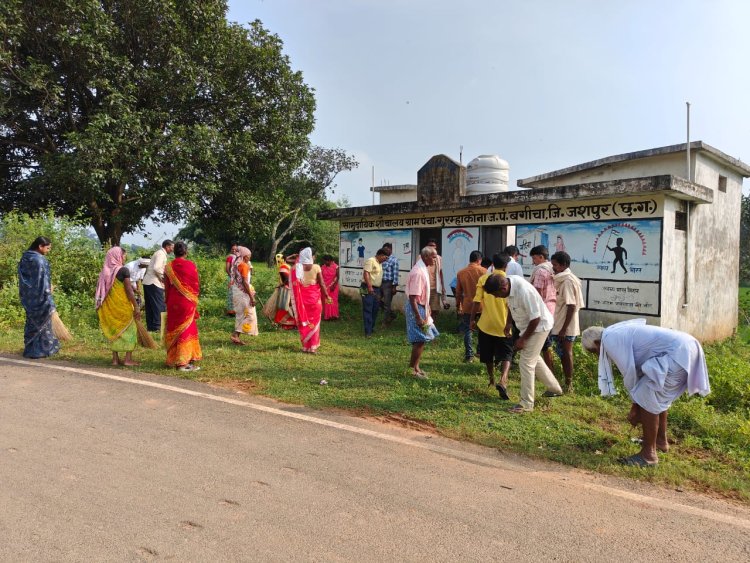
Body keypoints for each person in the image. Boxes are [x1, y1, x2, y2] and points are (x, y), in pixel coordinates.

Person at [581, 320, 710, 467]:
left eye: (594, 352)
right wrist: (636, 404)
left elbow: (630, 373)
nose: (597, 356)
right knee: (653, 393)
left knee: (648, 397)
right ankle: (660, 441)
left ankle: (648, 455)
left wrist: (635, 407)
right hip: (686, 348)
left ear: (597, 343)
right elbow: (637, 370)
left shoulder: (609, 341)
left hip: (678, 354)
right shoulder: (614, 332)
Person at [489, 275, 564, 413]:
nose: (496, 297)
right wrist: (508, 323)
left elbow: (536, 318)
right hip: (528, 326)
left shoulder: (523, 291)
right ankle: (554, 389)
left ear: (503, 288)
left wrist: (522, 339)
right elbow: (511, 305)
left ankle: (526, 404)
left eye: (496, 294)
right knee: (533, 358)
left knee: (526, 363)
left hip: (540, 326)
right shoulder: (507, 284)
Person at [470, 254, 513, 401]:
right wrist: (510, 323)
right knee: (507, 355)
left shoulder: (484, 279)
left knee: (487, 354)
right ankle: (504, 379)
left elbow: (476, 301)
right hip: (504, 324)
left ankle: (492, 379)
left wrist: (472, 320)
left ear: (492, 265)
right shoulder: (508, 282)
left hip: (486, 324)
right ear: (506, 267)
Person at [95, 246, 140, 366]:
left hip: (109, 308)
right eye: (124, 255)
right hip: (123, 306)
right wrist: (136, 306)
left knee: (115, 330)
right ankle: (127, 359)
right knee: (130, 329)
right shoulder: (124, 270)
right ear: (118, 256)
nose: (125, 257)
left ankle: (115, 360)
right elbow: (129, 290)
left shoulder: (105, 271)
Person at [17, 236, 60, 359]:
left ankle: (30, 349)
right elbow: (43, 280)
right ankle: (42, 350)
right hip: (41, 297)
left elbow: (26, 280)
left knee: (32, 322)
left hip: (29, 297)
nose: (48, 250)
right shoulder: (40, 260)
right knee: (43, 324)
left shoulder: (25, 258)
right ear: (40, 246)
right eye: (47, 248)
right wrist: (48, 292)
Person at [164, 242, 202, 372]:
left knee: (175, 327)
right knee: (187, 329)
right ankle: (182, 363)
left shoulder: (168, 266)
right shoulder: (191, 265)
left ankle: (173, 359)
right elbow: (196, 285)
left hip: (173, 301)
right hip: (187, 302)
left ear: (174, 252)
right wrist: (194, 298)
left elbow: (167, 287)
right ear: (186, 252)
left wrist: (167, 301)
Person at [550, 251, 584, 392]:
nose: (553, 268)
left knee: (567, 352)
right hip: (560, 323)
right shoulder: (563, 278)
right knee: (562, 353)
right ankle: (564, 381)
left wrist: (564, 329)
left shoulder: (568, 281)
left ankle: (569, 383)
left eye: (556, 265)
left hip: (566, 325)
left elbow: (571, 305)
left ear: (563, 265)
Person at [405, 246, 440, 378]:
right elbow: (413, 297)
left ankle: (416, 367)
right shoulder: (419, 272)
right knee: (419, 339)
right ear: (425, 256)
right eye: (433, 257)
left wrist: (427, 307)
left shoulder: (422, 268)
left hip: (421, 306)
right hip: (416, 308)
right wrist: (418, 316)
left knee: (421, 340)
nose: (435, 259)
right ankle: (412, 370)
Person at [290, 247, 331, 353]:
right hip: (314, 299)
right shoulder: (316, 267)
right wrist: (326, 295)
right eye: (314, 255)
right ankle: (313, 347)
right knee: (315, 322)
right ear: (311, 256)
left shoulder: (295, 268)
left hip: (302, 300)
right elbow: (321, 283)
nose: (315, 257)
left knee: (305, 321)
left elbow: (294, 284)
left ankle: (305, 346)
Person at [454, 250, 486, 362]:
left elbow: (458, 292)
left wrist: (458, 305)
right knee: (483, 329)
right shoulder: (484, 271)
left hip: (468, 305)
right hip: (482, 305)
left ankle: (469, 356)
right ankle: (480, 351)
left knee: (468, 330)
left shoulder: (461, 273)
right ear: (479, 260)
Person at [529, 245, 556, 371]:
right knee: (547, 342)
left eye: (534, 258)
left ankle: (546, 370)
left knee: (542, 343)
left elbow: (536, 293)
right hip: (552, 308)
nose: (533, 262)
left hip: (542, 310)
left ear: (541, 257)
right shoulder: (553, 268)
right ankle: (549, 369)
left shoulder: (540, 271)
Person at [142, 239, 174, 332]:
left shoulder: (160, 253)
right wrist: (163, 278)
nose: (172, 249)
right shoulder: (161, 254)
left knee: (151, 306)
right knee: (158, 305)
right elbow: (156, 268)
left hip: (149, 282)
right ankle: (157, 327)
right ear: (167, 247)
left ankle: (151, 327)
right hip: (154, 282)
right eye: (172, 247)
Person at [230, 247, 258, 345]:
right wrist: (252, 297)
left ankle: (236, 338)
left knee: (240, 315)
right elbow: (245, 283)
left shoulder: (235, 264)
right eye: (249, 256)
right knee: (250, 315)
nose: (249, 258)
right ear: (245, 256)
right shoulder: (244, 266)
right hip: (243, 294)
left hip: (236, 292)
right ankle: (235, 334)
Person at [263, 253, 297, 329]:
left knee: (283, 306)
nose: (275, 263)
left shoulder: (282, 268)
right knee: (289, 306)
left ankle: (286, 324)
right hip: (291, 288)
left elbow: (287, 280)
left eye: (275, 261)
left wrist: (280, 285)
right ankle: (292, 324)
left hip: (285, 289)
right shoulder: (288, 266)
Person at [361, 248, 387, 336]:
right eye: (385, 257)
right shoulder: (371, 261)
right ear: (380, 255)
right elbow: (366, 273)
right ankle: (367, 332)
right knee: (368, 309)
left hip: (377, 289)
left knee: (375, 309)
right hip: (368, 287)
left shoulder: (379, 263)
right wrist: (369, 287)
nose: (385, 259)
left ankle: (371, 328)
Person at [425, 239, 448, 318]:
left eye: (433, 246)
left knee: (435, 309)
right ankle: (425, 325)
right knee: (424, 308)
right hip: (424, 288)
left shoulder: (438, 258)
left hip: (435, 288)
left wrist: (443, 286)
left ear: (436, 247)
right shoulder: (421, 257)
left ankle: (432, 326)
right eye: (430, 246)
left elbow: (440, 273)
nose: (432, 248)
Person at [380, 243, 400, 325]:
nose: (385, 251)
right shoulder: (382, 259)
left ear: (390, 250)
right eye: (383, 250)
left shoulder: (394, 260)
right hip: (380, 283)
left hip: (388, 284)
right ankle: (392, 315)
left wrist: (394, 287)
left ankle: (385, 322)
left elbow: (395, 274)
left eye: (386, 250)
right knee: (376, 299)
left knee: (387, 304)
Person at [321, 255, 340, 320]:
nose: (324, 262)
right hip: (325, 287)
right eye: (324, 261)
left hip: (333, 287)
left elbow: (338, 277)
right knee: (326, 301)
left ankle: (334, 315)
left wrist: (334, 285)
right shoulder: (323, 267)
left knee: (333, 301)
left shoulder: (336, 267)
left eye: (326, 261)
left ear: (330, 261)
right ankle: (327, 316)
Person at [224, 243, 239, 316]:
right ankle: (230, 311)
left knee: (237, 294)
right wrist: (232, 277)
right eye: (232, 249)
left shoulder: (239, 257)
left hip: (237, 279)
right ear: (231, 250)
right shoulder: (230, 257)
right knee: (231, 294)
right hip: (231, 278)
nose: (234, 251)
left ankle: (236, 311)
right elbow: (227, 269)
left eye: (235, 250)